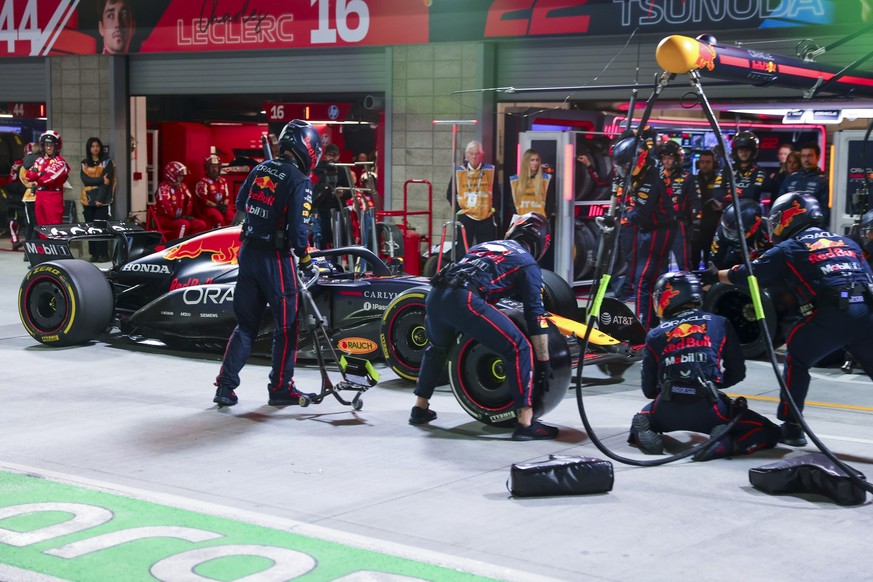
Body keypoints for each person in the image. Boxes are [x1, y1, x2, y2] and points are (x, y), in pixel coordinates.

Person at [703, 192, 873, 447]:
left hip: (835, 313)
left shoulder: (790, 247)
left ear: (789, 218)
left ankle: (792, 426)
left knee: (797, 352)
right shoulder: (848, 242)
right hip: (867, 312)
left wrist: (716, 275)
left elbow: (750, 274)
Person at [408, 212, 559, 441]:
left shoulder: (486, 245)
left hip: (435, 295)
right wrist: (545, 361)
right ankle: (525, 423)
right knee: (520, 348)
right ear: (541, 242)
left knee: (437, 348)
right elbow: (534, 315)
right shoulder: (528, 264)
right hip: (464, 299)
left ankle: (420, 408)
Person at [213, 119, 323, 408]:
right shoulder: (301, 181)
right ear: (307, 147)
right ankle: (281, 388)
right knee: (287, 327)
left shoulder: (260, 168)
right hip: (275, 259)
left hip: (248, 252)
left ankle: (225, 387)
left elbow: (240, 204)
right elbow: (300, 231)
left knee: (246, 325)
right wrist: (307, 259)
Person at [628, 271, 781, 461]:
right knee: (770, 431)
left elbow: (649, 390)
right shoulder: (720, 323)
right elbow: (737, 372)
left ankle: (640, 434)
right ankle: (725, 445)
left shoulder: (655, 334)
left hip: (666, 408)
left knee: (642, 418)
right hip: (710, 408)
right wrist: (717, 384)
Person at [613, 134, 675, 329]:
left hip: (659, 231)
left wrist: (618, 220)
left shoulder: (651, 178)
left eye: (625, 165)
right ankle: (656, 323)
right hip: (648, 229)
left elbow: (639, 213)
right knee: (656, 280)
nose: (623, 170)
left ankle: (643, 326)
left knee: (643, 281)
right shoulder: (641, 173)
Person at [446, 140, 500, 248]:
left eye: (477, 154)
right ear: (466, 155)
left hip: (485, 217)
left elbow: (497, 193)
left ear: (481, 155)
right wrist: (458, 210)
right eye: (471, 154)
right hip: (466, 216)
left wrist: (493, 209)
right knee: (463, 250)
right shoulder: (459, 172)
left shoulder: (490, 170)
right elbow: (450, 194)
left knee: (486, 251)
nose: (474, 157)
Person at [658, 141, 701, 271]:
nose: (667, 161)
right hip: (659, 225)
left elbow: (696, 201)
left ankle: (688, 289)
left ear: (677, 159)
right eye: (664, 158)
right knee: (660, 263)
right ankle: (662, 289)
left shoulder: (688, 178)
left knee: (683, 263)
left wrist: (696, 222)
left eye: (670, 158)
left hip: (679, 225)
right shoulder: (656, 177)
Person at [25, 130, 69, 235]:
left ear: (56, 146)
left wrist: (37, 174)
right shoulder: (39, 160)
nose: (48, 148)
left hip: (53, 196)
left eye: (51, 145)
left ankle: (55, 250)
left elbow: (47, 180)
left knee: (54, 229)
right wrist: (41, 174)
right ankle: (44, 250)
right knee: (41, 229)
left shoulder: (60, 162)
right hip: (39, 196)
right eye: (46, 145)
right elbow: (28, 176)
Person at [80, 137, 116, 262]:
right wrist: (100, 180)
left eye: (97, 146)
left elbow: (108, 182)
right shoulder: (84, 163)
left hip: (102, 200)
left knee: (101, 228)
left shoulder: (107, 162)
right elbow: (85, 180)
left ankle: (103, 254)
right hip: (87, 200)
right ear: (89, 149)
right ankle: (94, 254)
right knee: (90, 228)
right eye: (92, 146)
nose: (95, 148)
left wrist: (100, 199)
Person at [311, 143, 352, 249]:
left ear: (338, 156)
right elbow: (313, 188)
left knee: (340, 236)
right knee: (322, 236)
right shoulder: (318, 168)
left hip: (338, 207)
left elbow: (351, 190)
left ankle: (337, 260)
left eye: (334, 156)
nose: (332, 158)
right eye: (329, 155)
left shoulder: (343, 169)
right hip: (322, 207)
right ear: (325, 155)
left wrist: (344, 193)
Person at [710, 199, 771, 269]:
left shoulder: (769, 231)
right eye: (728, 231)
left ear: (754, 227)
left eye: (735, 233)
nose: (729, 235)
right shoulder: (722, 231)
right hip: (735, 259)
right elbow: (714, 262)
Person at [779, 142, 830, 226]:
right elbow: (780, 203)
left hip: (811, 227)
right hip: (789, 226)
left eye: (809, 156)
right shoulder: (790, 178)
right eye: (803, 156)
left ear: (818, 157)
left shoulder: (823, 180)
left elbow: (824, 210)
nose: (806, 159)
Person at [153, 161, 206, 239]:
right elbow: (165, 206)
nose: (181, 178)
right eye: (179, 176)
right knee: (184, 224)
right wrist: (177, 217)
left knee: (201, 224)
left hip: (180, 218)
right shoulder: (163, 188)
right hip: (165, 219)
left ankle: (191, 246)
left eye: (182, 176)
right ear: (172, 176)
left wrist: (186, 214)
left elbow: (189, 200)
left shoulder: (183, 187)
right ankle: (177, 247)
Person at [712, 131, 769, 204]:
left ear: (753, 152)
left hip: (751, 211)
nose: (744, 153)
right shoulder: (726, 170)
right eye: (741, 150)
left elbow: (752, 193)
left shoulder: (760, 171)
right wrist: (741, 192)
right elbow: (717, 194)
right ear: (735, 151)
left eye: (747, 150)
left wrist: (730, 192)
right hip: (729, 212)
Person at [691, 149, 722, 268]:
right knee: (693, 259)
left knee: (711, 260)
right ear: (698, 163)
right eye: (702, 162)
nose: (705, 164)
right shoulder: (692, 180)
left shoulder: (720, 180)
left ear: (714, 163)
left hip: (714, 225)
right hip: (696, 225)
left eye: (708, 162)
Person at [508, 148, 553, 221]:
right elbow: (512, 202)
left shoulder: (545, 180)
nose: (535, 163)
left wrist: (546, 217)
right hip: (521, 221)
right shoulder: (515, 180)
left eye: (537, 160)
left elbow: (550, 202)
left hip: (540, 221)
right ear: (526, 162)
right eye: (532, 160)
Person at [193, 154, 234, 228]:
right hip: (208, 208)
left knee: (232, 217)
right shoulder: (202, 182)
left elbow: (227, 197)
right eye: (212, 167)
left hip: (221, 205)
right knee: (219, 219)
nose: (214, 169)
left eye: (216, 167)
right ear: (207, 168)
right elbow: (204, 200)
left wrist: (224, 205)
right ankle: (219, 238)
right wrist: (216, 206)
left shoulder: (223, 180)